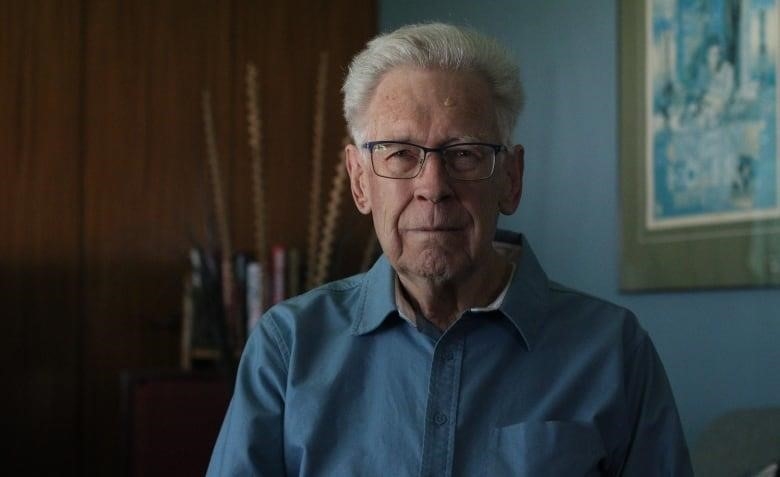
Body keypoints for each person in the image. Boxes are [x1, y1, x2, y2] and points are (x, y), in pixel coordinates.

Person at [207, 23, 693, 476]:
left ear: (511, 178)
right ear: (359, 181)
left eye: (464, 154)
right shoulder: (289, 347)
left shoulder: (612, 351)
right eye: (399, 154)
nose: (433, 187)